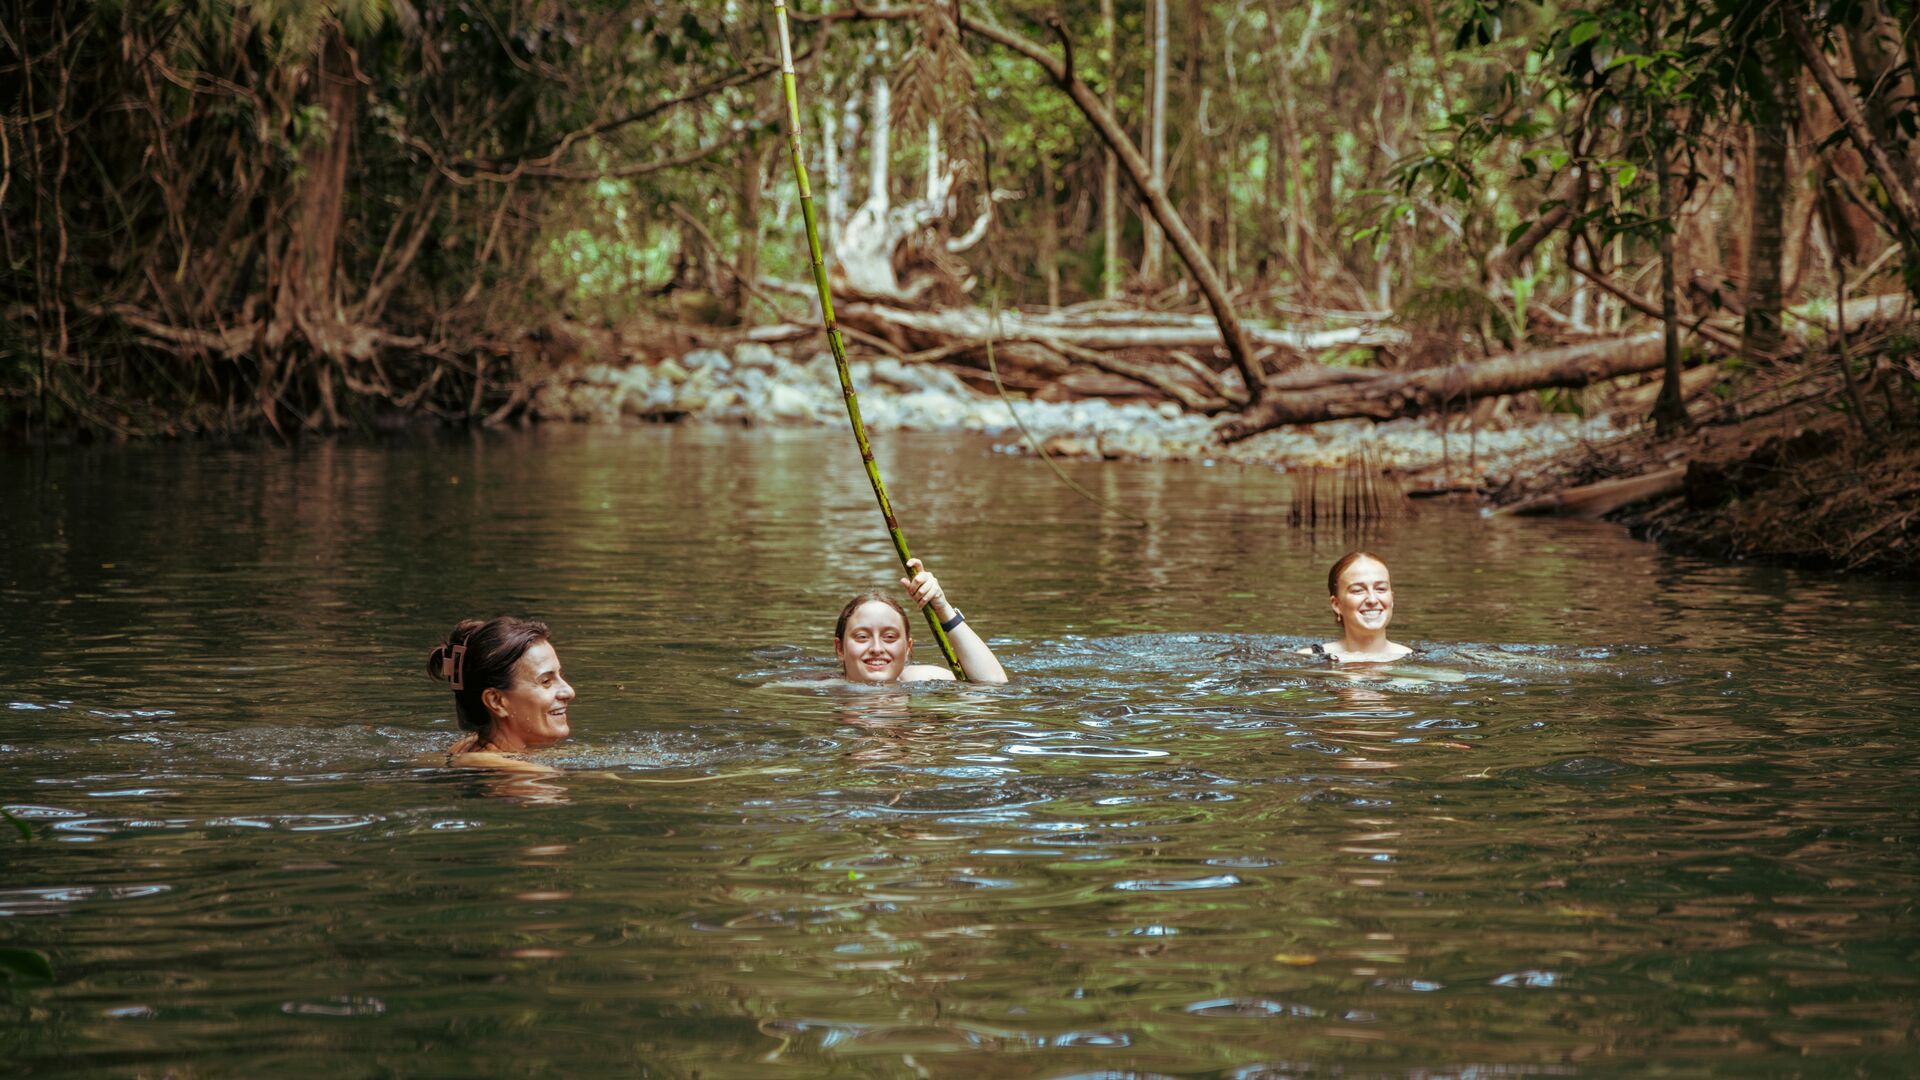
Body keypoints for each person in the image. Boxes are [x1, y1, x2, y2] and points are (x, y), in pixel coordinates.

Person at [834, 558, 1008, 684]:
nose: (877, 649)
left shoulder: (917, 679)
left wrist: (943, 608)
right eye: (862, 637)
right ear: (840, 648)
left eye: (889, 637)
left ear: (908, 648)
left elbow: (994, 684)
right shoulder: (819, 691)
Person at [427, 616, 576, 760]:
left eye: (559, 675)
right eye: (546, 681)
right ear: (496, 701)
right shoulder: (518, 775)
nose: (569, 692)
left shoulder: (471, 746)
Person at [1299, 551, 1413, 663]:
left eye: (1381, 589)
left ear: (1392, 599)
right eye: (1358, 590)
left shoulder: (1414, 659)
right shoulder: (1309, 660)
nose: (1372, 600)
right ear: (1336, 604)